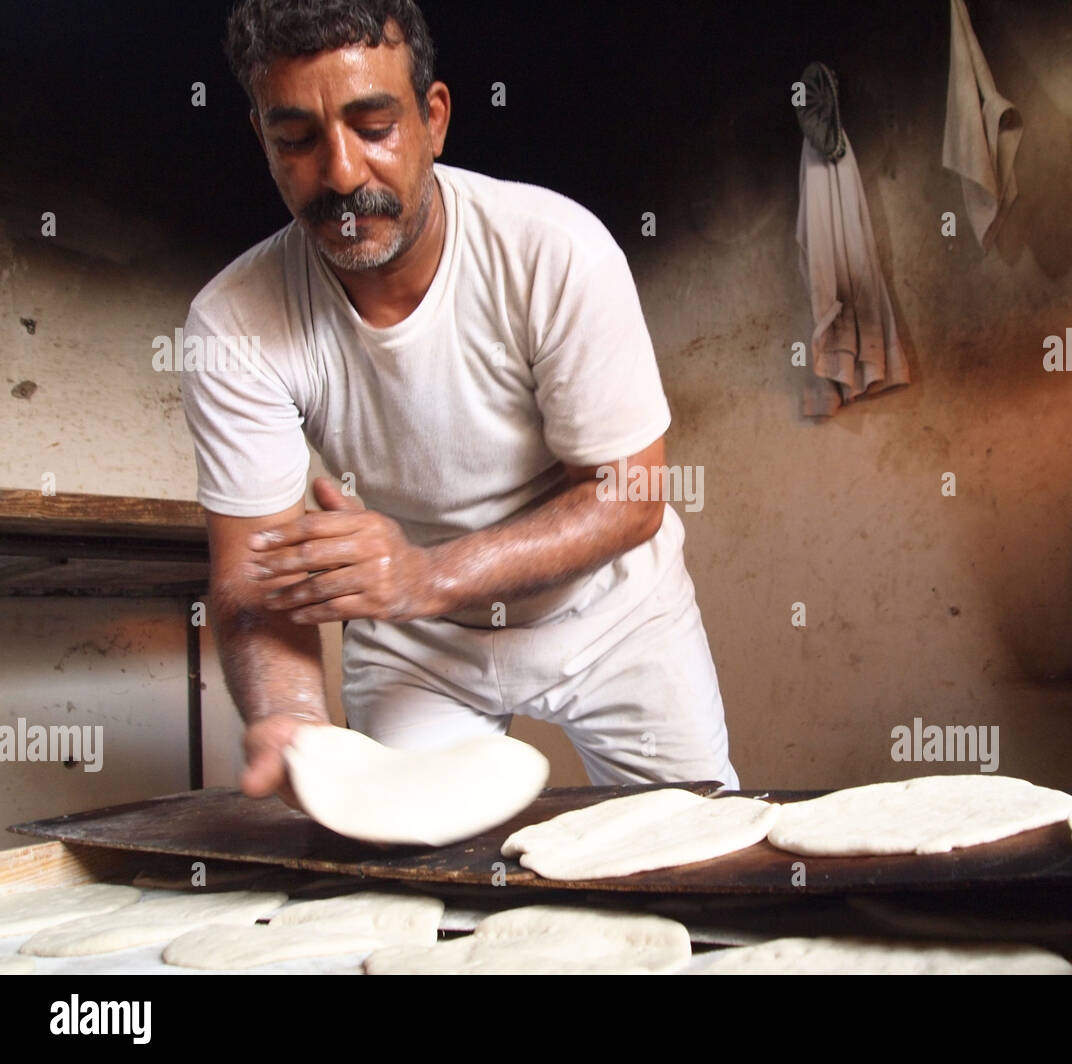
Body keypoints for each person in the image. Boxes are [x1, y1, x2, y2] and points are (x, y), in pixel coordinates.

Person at [180, 0, 740, 807]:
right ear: (263, 139)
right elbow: (252, 579)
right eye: (297, 138)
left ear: (433, 118)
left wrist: (424, 575)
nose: (340, 174)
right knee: (411, 875)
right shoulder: (231, 321)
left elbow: (633, 498)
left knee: (695, 855)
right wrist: (289, 714)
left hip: (613, 612)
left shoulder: (555, 249)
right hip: (419, 649)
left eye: (374, 126)